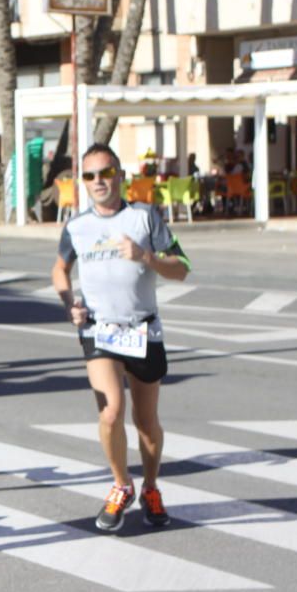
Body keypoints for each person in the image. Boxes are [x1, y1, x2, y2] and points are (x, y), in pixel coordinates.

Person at [50, 143, 190, 532]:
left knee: (146, 422)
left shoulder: (145, 219)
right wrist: (68, 304)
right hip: (99, 330)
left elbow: (182, 268)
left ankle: (150, 487)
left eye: (106, 173)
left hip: (143, 328)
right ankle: (120, 484)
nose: (98, 182)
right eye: (90, 176)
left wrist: (146, 257)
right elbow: (60, 270)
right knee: (111, 412)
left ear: (120, 176)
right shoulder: (76, 226)